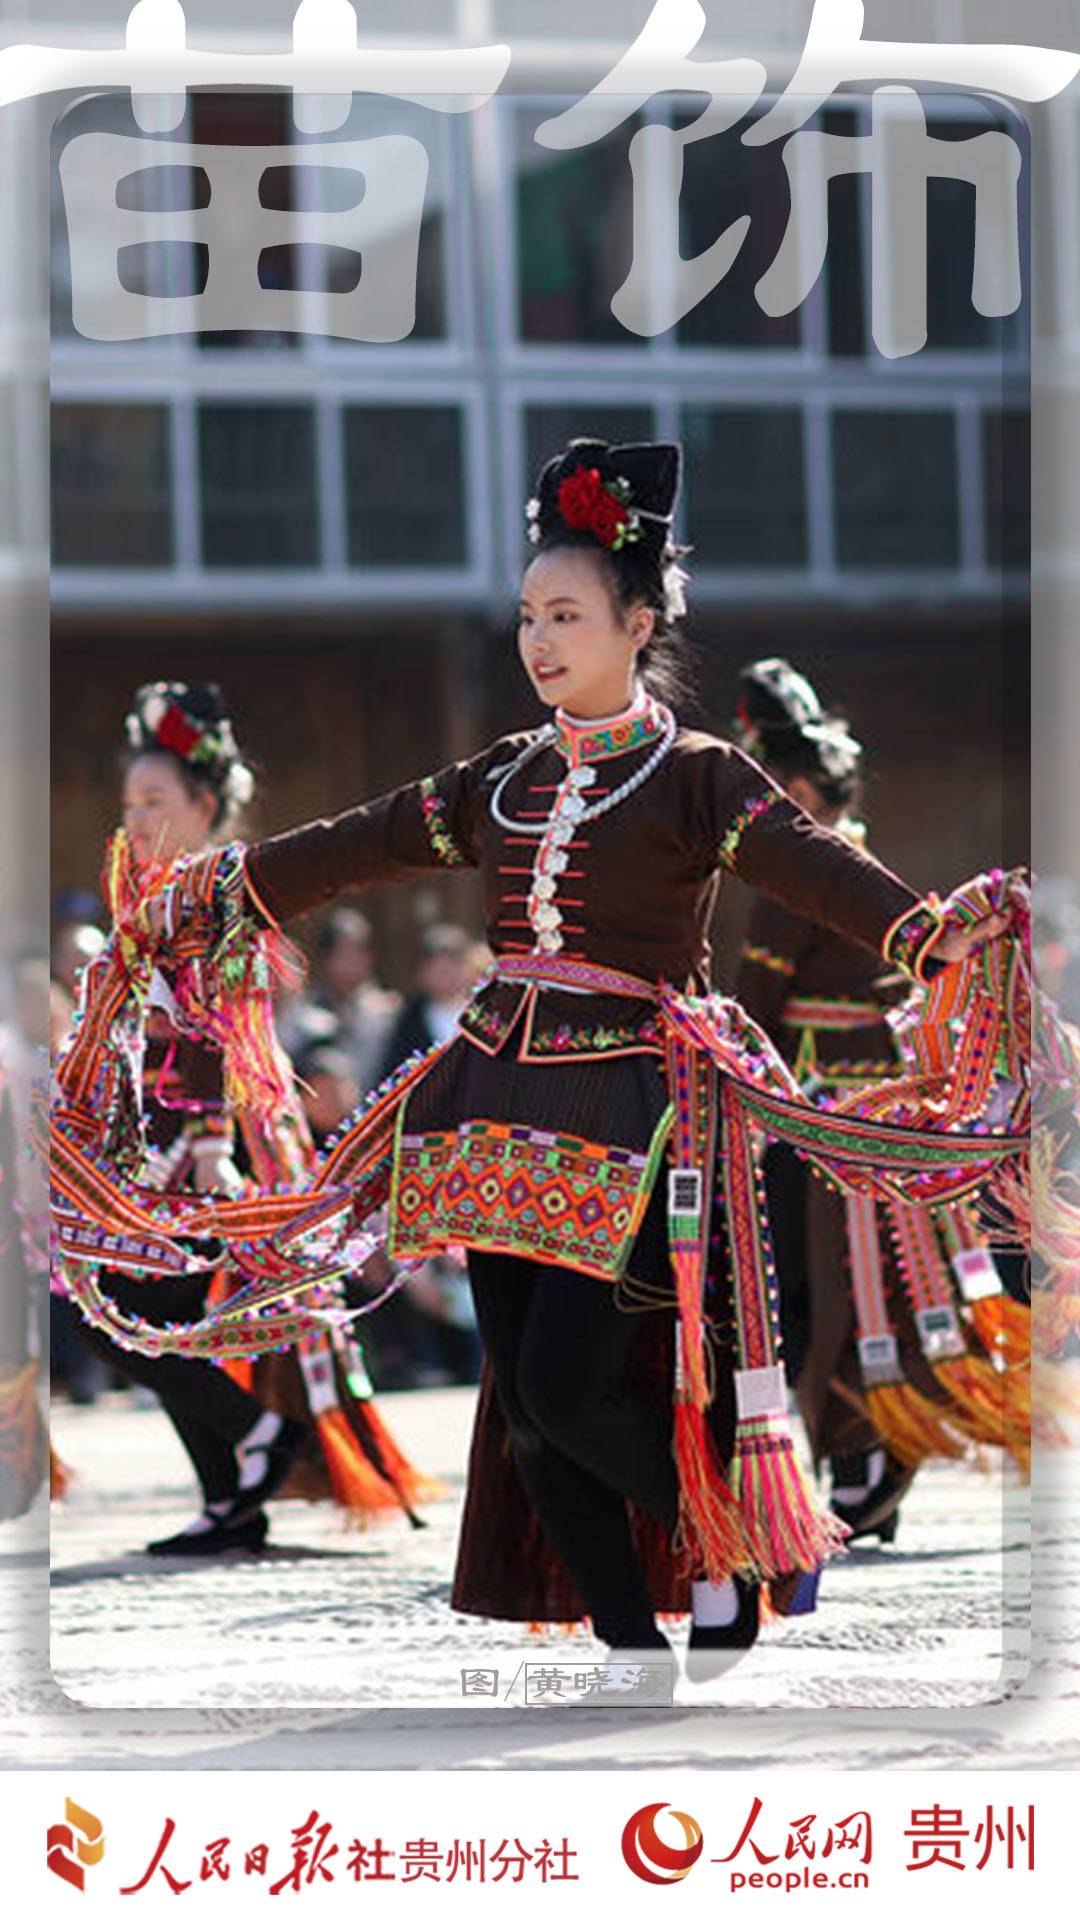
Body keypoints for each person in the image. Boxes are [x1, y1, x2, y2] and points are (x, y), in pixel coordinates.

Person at [55, 442, 1018, 1679]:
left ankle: (728, 1539)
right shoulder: (504, 777)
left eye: (567, 614)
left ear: (638, 623)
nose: (540, 639)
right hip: (492, 1096)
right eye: (527, 616)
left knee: (567, 1385)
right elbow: (364, 839)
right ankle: (628, 1637)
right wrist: (220, 892)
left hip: (632, 1102)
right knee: (520, 1409)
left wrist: (928, 933)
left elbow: (810, 863)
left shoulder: (697, 777)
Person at [67, 682, 432, 1553]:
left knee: (119, 1307)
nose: (136, 816)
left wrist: (206, 1142)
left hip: (210, 1135)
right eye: (129, 801)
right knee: (158, 1311)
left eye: (155, 799)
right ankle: (232, 1492)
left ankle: (257, 1438)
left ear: (204, 805)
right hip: (158, 1133)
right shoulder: (150, 893)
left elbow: (220, 1021)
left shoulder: (217, 890)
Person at [731, 659, 1026, 1538]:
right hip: (890, 1108)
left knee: (828, 1288)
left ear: (790, 790)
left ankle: (863, 1454)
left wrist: (719, 1076)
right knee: (885, 1282)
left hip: (831, 1117)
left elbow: (753, 1008)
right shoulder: (861, 858)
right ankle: (879, 1449)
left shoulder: (798, 878)